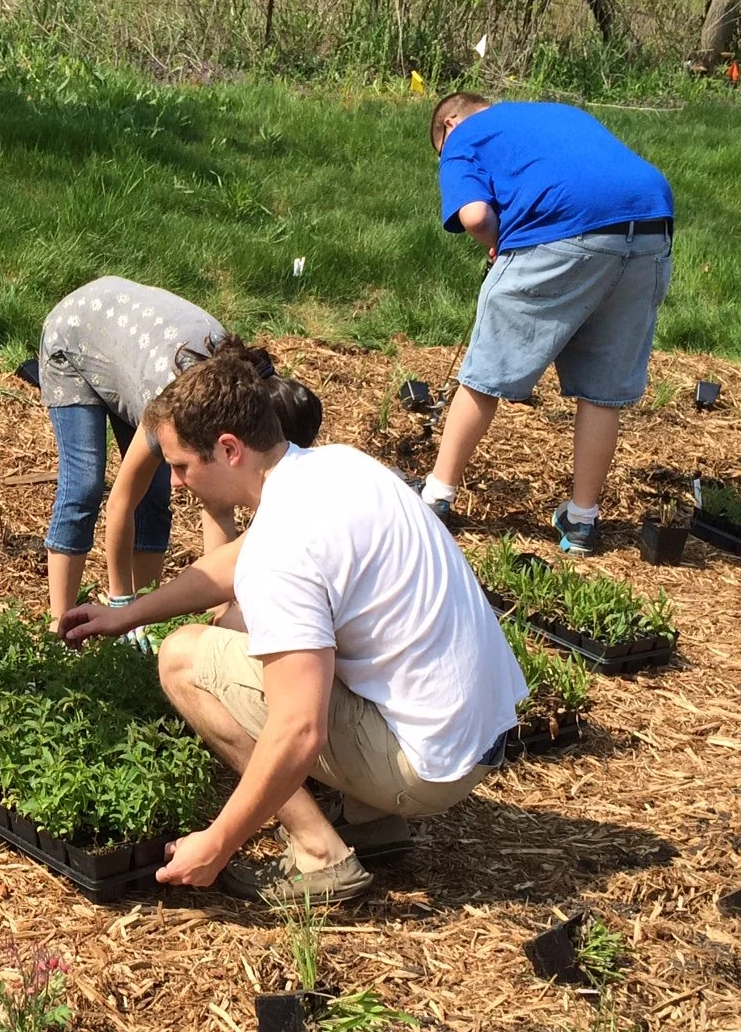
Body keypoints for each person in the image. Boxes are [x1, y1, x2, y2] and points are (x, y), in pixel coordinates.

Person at [61, 353, 525, 904]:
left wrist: (218, 842)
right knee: (293, 642)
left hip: (427, 765)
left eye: (182, 465)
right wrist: (128, 613)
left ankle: (320, 854)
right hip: (477, 732)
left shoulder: (284, 548)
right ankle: (371, 820)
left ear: (229, 449)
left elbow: (300, 730)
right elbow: (235, 559)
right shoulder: (335, 467)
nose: (177, 483)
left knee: (184, 658)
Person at [419, 93, 674, 555]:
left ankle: (435, 497)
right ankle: (581, 522)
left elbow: (475, 215)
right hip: (652, 226)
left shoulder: (462, 136)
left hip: (567, 228)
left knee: (486, 375)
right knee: (602, 391)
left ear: (450, 123)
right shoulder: (557, 112)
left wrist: (498, 243)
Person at [37, 277, 322, 628]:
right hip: (76, 335)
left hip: (133, 356)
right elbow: (121, 501)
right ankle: (59, 626)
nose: (178, 482)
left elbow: (218, 505)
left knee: (155, 494)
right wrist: (120, 599)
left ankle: (146, 618)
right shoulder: (179, 406)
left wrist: (220, 613)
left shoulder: (233, 398)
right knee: (85, 484)